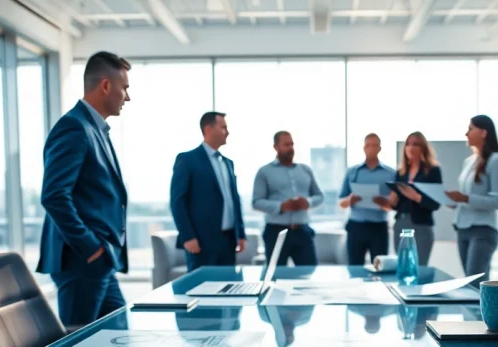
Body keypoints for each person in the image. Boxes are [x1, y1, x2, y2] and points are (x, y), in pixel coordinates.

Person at [37, 51, 130, 327]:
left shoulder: (95, 128)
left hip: (100, 261)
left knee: (118, 336)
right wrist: (90, 247)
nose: (127, 97)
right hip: (82, 260)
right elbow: (54, 195)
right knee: (76, 344)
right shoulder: (74, 128)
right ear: (105, 86)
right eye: (124, 88)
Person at [170, 112, 247, 272]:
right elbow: (178, 201)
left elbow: (234, 200)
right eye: (223, 127)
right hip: (201, 242)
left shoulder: (228, 163)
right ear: (208, 129)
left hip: (228, 241)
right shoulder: (187, 159)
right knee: (200, 285)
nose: (227, 132)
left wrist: (240, 233)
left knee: (228, 285)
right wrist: (188, 236)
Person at [446, 115, 498, 282]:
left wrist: (465, 198)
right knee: (469, 282)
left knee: (475, 283)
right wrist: (454, 201)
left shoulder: (495, 161)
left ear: (483, 133)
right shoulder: (469, 162)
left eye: (470, 129)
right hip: (463, 228)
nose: (466, 133)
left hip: (483, 230)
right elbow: (466, 197)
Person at [252, 131, 324, 265]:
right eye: (286, 145)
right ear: (275, 147)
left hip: (302, 232)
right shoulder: (264, 172)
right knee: (275, 274)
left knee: (309, 273)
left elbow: (320, 196)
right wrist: (281, 207)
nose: (291, 148)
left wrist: (308, 202)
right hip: (275, 233)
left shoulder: (305, 170)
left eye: (292, 144)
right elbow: (256, 202)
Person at [380, 131, 441, 266]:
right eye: (408, 144)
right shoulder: (401, 173)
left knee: (420, 266)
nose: (411, 148)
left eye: (415, 144)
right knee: (402, 265)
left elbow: (436, 204)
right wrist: (392, 201)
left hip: (421, 225)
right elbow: (396, 205)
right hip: (401, 223)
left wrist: (416, 197)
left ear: (423, 148)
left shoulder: (432, 171)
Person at [338, 133, 396, 265]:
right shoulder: (352, 172)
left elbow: (394, 205)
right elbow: (341, 203)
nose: (371, 148)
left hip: (379, 228)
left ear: (380, 148)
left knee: (380, 266)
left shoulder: (391, 174)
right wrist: (350, 200)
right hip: (355, 227)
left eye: (374, 145)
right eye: (368, 145)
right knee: (354, 267)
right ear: (363, 148)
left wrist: (384, 202)